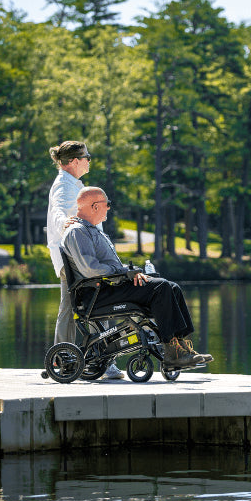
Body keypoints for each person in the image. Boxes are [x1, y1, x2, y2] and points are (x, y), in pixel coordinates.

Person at [61, 186, 212, 367]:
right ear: (94, 206)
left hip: (109, 287)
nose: (109, 208)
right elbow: (90, 270)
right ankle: (172, 353)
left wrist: (131, 271)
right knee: (161, 287)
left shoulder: (92, 230)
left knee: (172, 288)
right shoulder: (77, 231)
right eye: (107, 204)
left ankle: (183, 347)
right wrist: (123, 273)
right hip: (97, 294)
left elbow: (108, 268)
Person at [46, 141, 123, 379]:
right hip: (75, 258)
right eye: (87, 157)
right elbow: (59, 210)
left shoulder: (72, 184)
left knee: (75, 308)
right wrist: (62, 222)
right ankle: (93, 361)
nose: (90, 161)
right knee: (91, 305)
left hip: (78, 256)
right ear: (75, 161)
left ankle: (67, 360)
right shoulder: (63, 185)